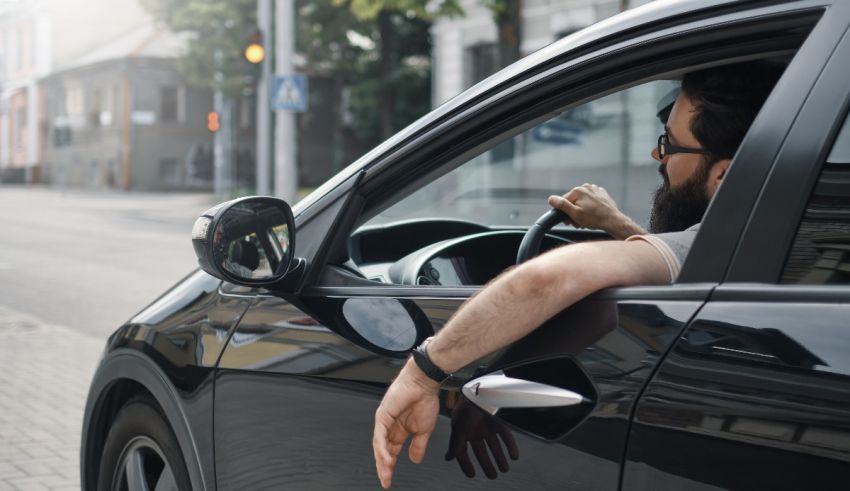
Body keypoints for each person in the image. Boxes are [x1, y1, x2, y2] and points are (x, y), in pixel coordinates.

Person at [372, 61, 784, 489]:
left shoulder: (728, 242)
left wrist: (422, 372)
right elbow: (671, 276)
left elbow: (550, 280)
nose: (657, 155)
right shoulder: (778, 235)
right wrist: (618, 226)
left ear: (725, 174)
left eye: (671, 144)